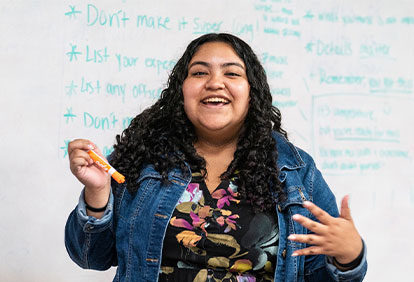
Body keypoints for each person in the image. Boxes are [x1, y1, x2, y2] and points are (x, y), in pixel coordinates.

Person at [65, 33, 367, 282]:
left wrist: (349, 255)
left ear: (252, 92)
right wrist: (97, 194)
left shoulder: (296, 170)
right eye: (199, 72)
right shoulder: (141, 158)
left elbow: (322, 276)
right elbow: (90, 256)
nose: (214, 82)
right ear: (181, 91)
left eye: (232, 73)